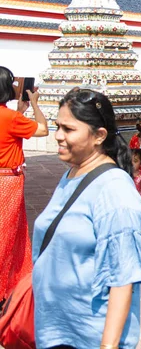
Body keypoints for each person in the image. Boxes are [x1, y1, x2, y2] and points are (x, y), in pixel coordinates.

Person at [33, 88, 141, 348]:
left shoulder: (115, 190)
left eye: (69, 129)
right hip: (56, 327)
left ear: (99, 136)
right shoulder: (72, 173)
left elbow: (123, 277)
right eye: (57, 126)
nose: (58, 136)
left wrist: (108, 345)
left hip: (88, 335)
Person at [0, 66, 48, 303]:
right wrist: (35, 105)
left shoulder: (11, 117)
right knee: (7, 234)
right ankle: (5, 286)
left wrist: (20, 111)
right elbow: (43, 129)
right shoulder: (10, 118)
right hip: (7, 181)